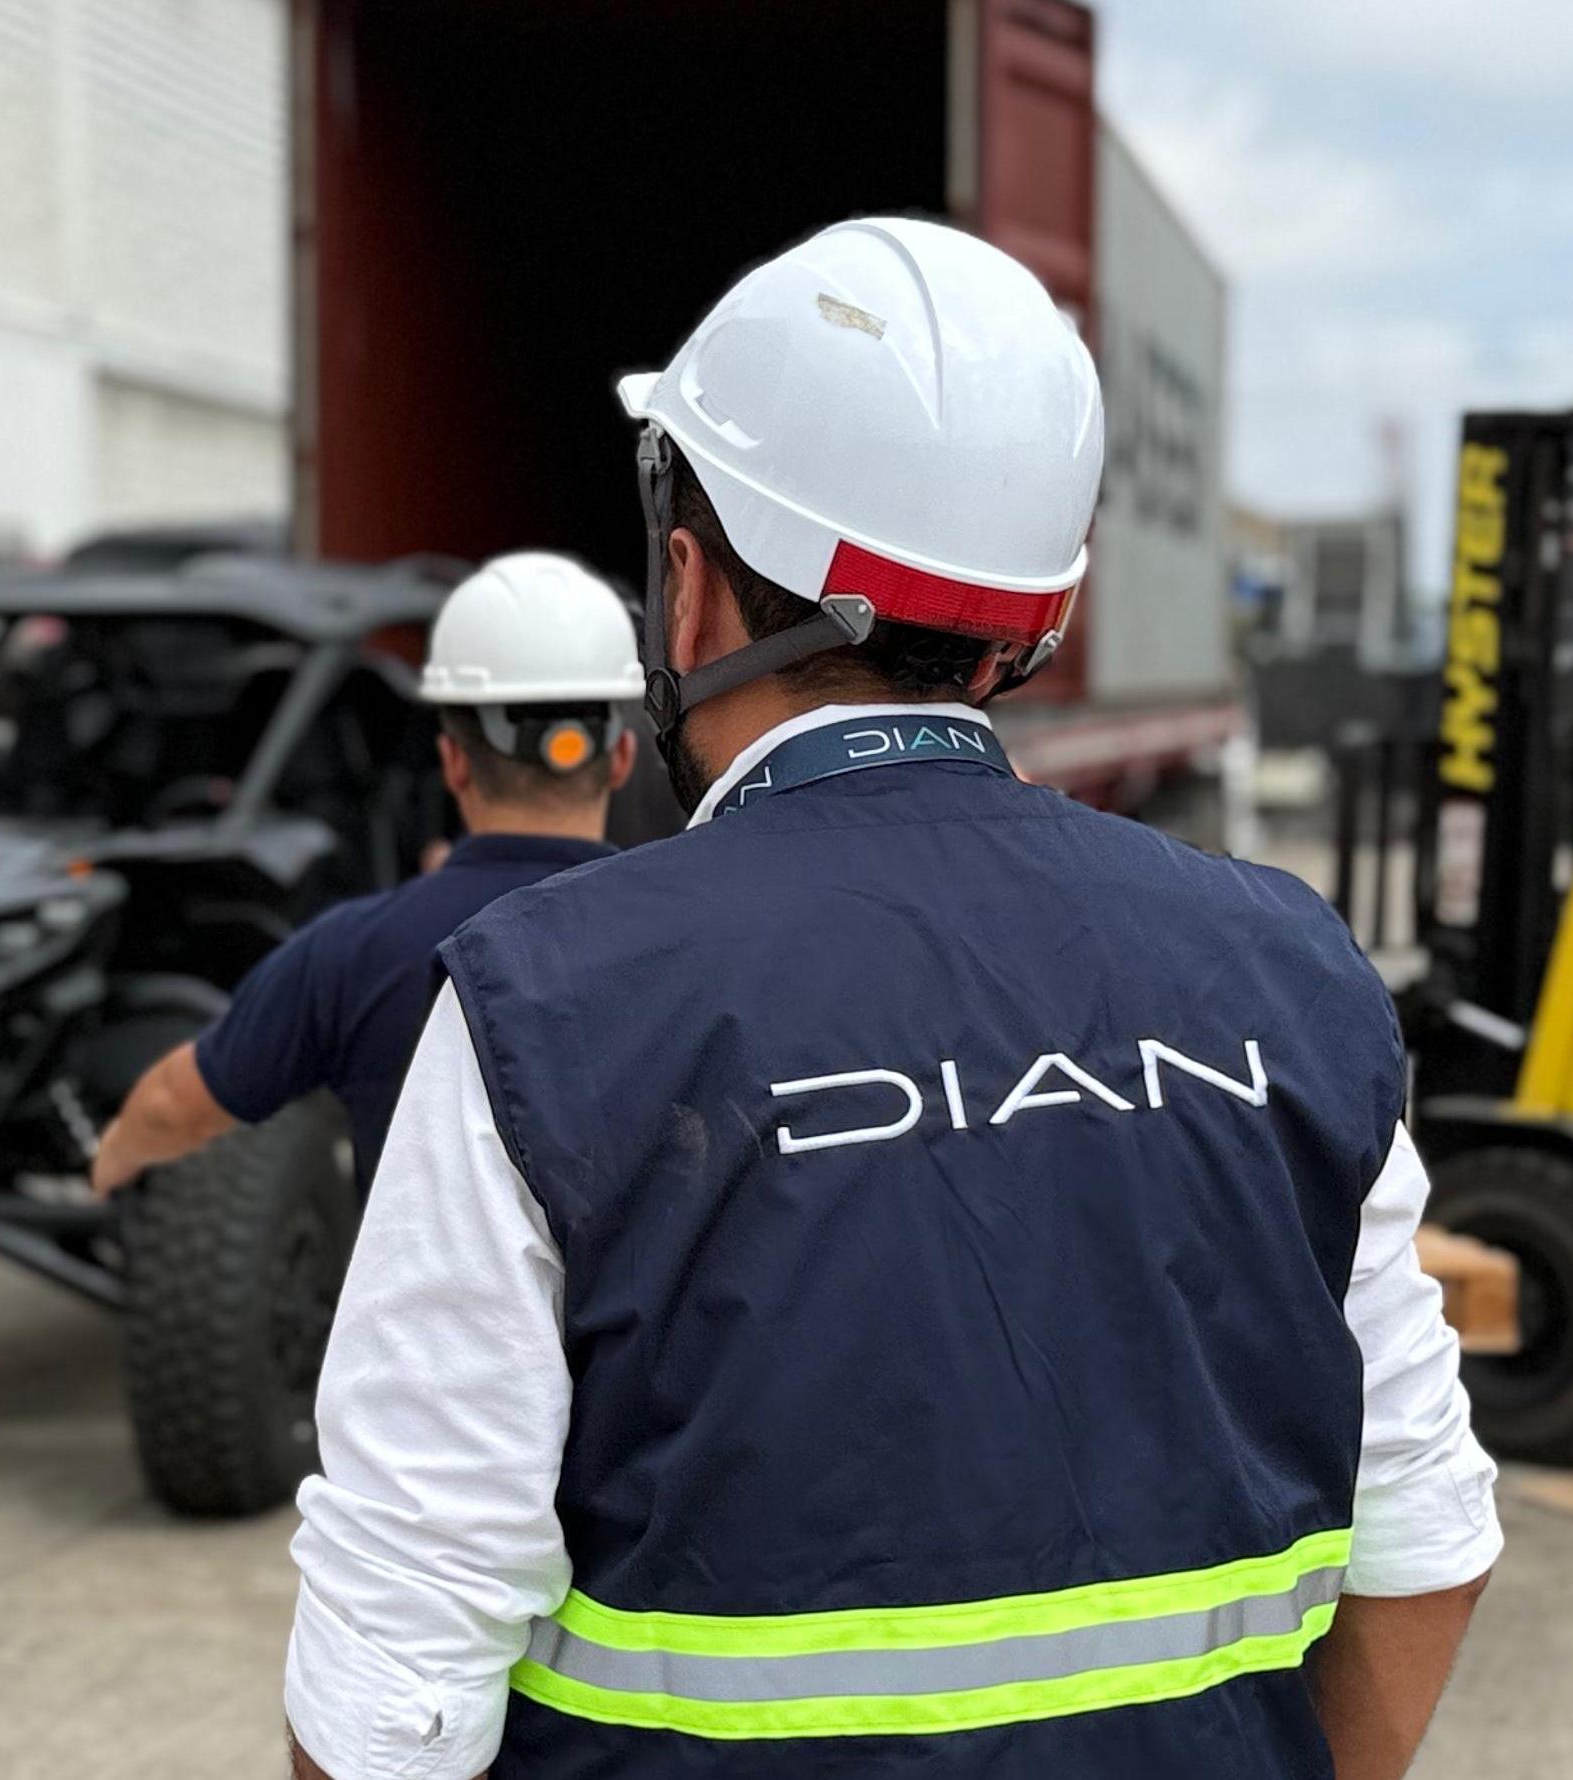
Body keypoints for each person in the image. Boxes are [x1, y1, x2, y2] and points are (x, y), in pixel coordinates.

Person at [281, 219, 1499, 1780]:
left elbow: (390, 1702)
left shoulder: (546, 1012)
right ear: (1036, 614)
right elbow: (1428, 1540)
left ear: (689, 589)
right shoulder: (1287, 968)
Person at [87, 552, 642, 1196]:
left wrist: (109, 1164)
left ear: (453, 763)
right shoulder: (687, 933)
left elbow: (168, 1107)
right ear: (622, 756)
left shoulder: (350, 952)